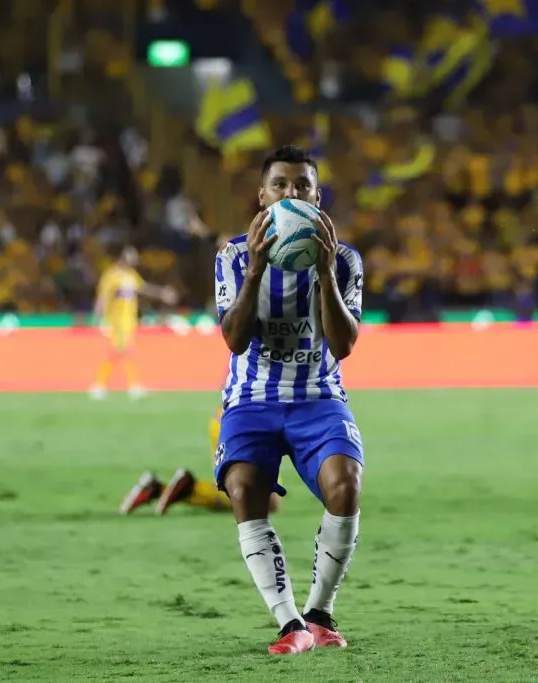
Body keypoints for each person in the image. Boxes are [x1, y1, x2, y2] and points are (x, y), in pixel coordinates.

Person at [212, 145, 365, 655]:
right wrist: (256, 270)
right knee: (242, 486)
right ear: (262, 197)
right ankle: (288, 623)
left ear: (318, 200)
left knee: (346, 483)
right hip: (251, 399)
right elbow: (233, 340)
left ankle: (319, 613)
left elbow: (343, 346)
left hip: (318, 395)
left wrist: (323, 273)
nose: (290, 194)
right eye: (280, 185)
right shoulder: (233, 256)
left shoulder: (344, 260)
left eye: (302, 186)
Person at [118, 407, 282, 516]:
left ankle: (160, 489)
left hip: (236, 418)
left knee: (263, 501)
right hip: (244, 423)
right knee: (264, 502)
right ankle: (189, 488)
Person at [89, 245, 178, 399]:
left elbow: (143, 288)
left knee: (124, 352)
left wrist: (162, 293)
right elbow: (103, 296)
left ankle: (122, 385)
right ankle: (102, 384)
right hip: (115, 321)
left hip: (129, 320)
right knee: (120, 351)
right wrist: (98, 317)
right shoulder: (112, 275)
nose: (133, 264)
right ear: (123, 259)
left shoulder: (131, 275)